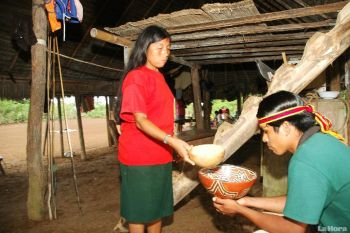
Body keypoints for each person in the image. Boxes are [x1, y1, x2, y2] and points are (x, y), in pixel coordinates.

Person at [212, 91, 350, 233]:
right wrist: (246, 202)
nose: (264, 139)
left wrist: (240, 210)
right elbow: (300, 202)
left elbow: (294, 229)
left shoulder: (305, 160)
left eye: (266, 131)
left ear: (285, 127)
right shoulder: (321, 139)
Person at [115, 25, 195, 233]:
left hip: (159, 153)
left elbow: (160, 118)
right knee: (140, 211)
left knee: (156, 208)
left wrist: (171, 146)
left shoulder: (159, 76)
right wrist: (173, 141)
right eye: (159, 48)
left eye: (168, 48)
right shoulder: (136, 77)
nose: (165, 54)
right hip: (139, 157)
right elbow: (141, 121)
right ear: (144, 48)